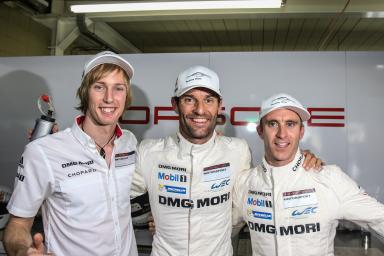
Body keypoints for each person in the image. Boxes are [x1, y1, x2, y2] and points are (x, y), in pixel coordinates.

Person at [131, 67, 322, 255]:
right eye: (189, 100)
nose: (200, 110)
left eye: (209, 100)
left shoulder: (237, 151)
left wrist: (298, 160)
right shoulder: (149, 152)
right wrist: (156, 217)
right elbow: (115, 199)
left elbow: (261, 189)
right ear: (175, 104)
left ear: (219, 105)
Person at [4, 51, 139, 256]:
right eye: (99, 87)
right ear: (85, 92)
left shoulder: (129, 142)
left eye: (118, 88)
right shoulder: (43, 152)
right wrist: (24, 251)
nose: (109, 98)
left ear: (126, 96)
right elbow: (17, 225)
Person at [232, 93, 384, 256]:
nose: (282, 134)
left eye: (290, 124)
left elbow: (379, 218)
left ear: (301, 131)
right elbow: (217, 232)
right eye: (273, 124)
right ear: (260, 131)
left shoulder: (329, 178)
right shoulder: (245, 183)